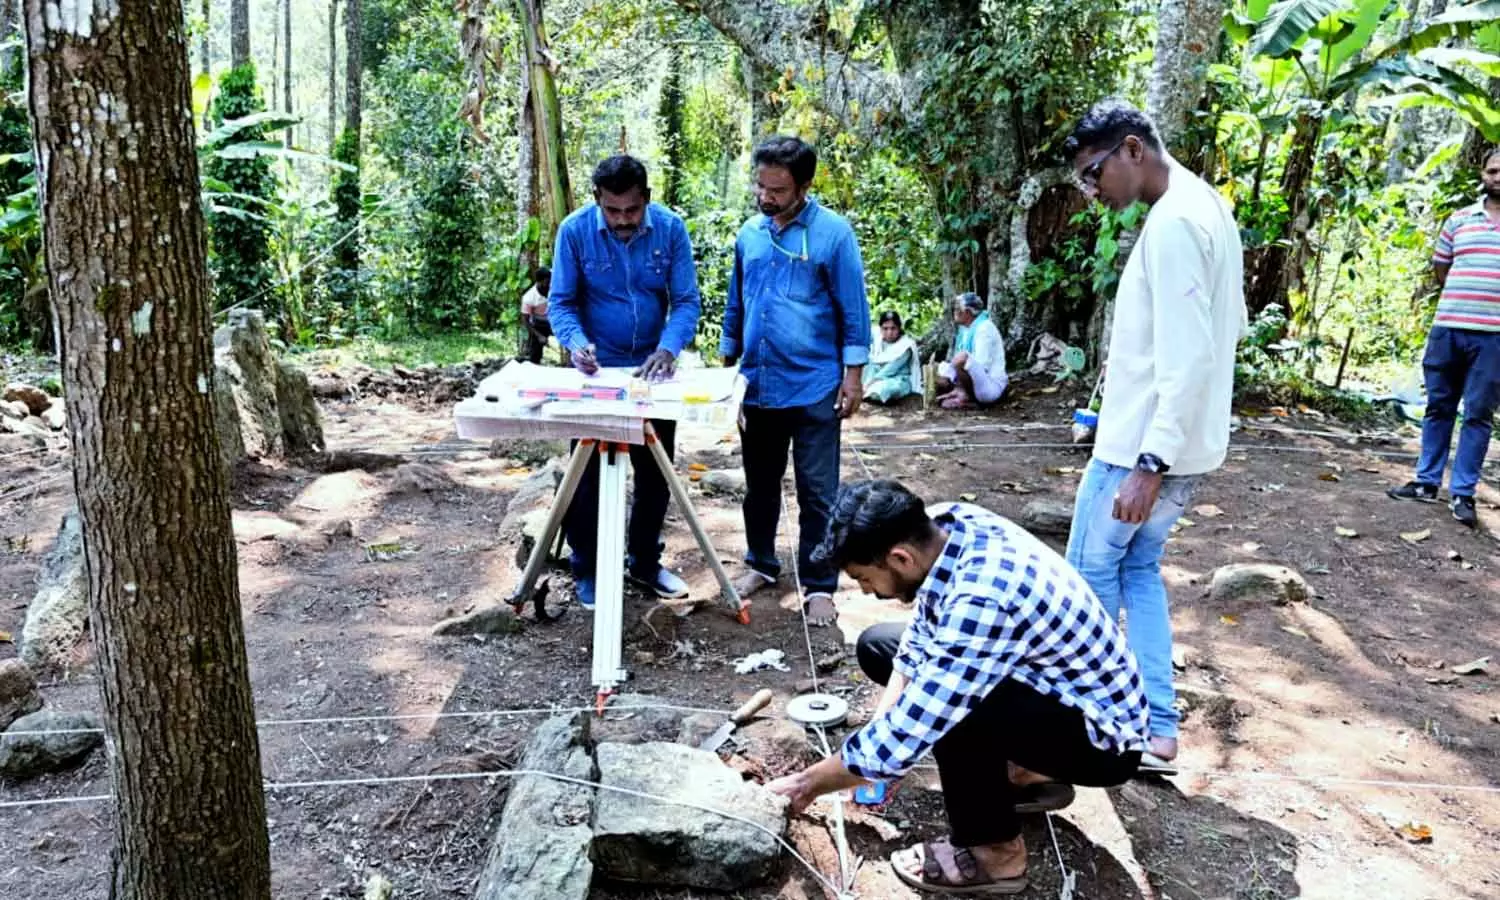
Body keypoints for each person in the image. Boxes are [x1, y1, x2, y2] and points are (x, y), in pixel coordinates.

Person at [766, 480, 1147, 894]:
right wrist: (880, 732)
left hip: (1103, 742)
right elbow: (917, 644)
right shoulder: (946, 524)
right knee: (879, 647)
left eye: (864, 578)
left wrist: (805, 785)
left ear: (900, 558)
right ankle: (1024, 772)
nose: (865, 591)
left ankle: (996, 855)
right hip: (1057, 693)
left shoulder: (983, 599)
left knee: (955, 711)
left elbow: (917, 723)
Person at [1061, 99, 1246, 772]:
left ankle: (1097, 722)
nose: (1093, 191)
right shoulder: (1205, 205)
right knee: (1136, 569)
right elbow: (1226, 326)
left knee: (1088, 578)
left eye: (1094, 172)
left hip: (1142, 453)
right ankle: (1157, 727)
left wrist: (1149, 463)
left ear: (1133, 149)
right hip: (1184, 447)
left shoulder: (1175, 224)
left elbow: (1192, 356)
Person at [720, 136, 871, 627]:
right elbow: (737, 302)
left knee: (818, 492)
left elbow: (854, 310)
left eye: (778, 190)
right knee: (759, 487)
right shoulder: (750, 233)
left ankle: (820, 584)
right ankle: (761, 564)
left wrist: (853, 376)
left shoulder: (834, 234)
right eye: (760, 187)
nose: (766, 197)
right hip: (758, 384)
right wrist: (727, 360)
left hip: (815, 386)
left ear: (804, 186)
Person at [547, 155, 702, 609]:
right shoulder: (574, 231)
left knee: (656, 474)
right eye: (612, 211)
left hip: (651, 373)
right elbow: (561, 303)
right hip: (595, 373)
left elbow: (686, 301)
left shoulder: (670, 229)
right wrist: (577, 344)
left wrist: (668, 348)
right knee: (586, 476)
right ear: (597, 200)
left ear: (646, 199)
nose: (622, 220)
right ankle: (588, 569)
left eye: (632, 210)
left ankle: (645, 562)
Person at [1387, 146, 1500, 530]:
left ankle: (1463, 493)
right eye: (1492, 170)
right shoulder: (1459, 220)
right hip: (1448, 328)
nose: (1498, 177)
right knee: (1438, 407)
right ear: (1483, 174)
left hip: (1494, 338)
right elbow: (1442, 268)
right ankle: (1426, 482)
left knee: (1479, 414)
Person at [933, 292, 1006, 409]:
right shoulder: (964, 330)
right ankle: (962, 395)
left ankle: (968, 397)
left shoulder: (984, 328)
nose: (954, 312)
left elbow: (982, 365)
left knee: (961, 359)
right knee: (937, 370)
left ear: (967, 312)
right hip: (977, 382)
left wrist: (954, 377)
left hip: (990, 386)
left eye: (957, 309)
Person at [863, 311, 922, 405]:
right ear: (880, 328)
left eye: (893, 328)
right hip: (874, 374)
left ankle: (868, 392)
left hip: (896, 379)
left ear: (899, 328)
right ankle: (866, 391)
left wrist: (867, 385)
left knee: (881, 391)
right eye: (885, 328)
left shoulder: (906, 346)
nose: (889, 332)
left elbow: (890, 370)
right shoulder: (877, 338)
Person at [520, 266, 553, 365]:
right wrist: (539, 336)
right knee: (535, 355)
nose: (550, 284)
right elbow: (525, 321)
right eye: (547, 282)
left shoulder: (554, 288)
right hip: (540, 325)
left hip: (556, 320)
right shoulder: (529, 298)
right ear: (539, 282)